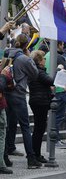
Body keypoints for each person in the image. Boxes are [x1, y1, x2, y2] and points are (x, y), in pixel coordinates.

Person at [4, 34, 41, 168]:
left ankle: (5, 157)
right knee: (25, 126)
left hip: (6, 93)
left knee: (6, 126)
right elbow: (35, 74)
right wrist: (29, 56)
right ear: (27, 46)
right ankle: (31, 159)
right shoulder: (24, 59)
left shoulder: (6, 54)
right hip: (18, 95)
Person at [27, 50, 54, 163]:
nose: (45, 60)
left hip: (37, 101)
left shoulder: (34, 71)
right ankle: (35, 154)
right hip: (40, 102)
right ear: (39, 61)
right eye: (44, 58)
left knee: (39, 128)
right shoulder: (39, 72)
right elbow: (51, 80)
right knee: (39, 129)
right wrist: (58, 70)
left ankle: (35, 153)